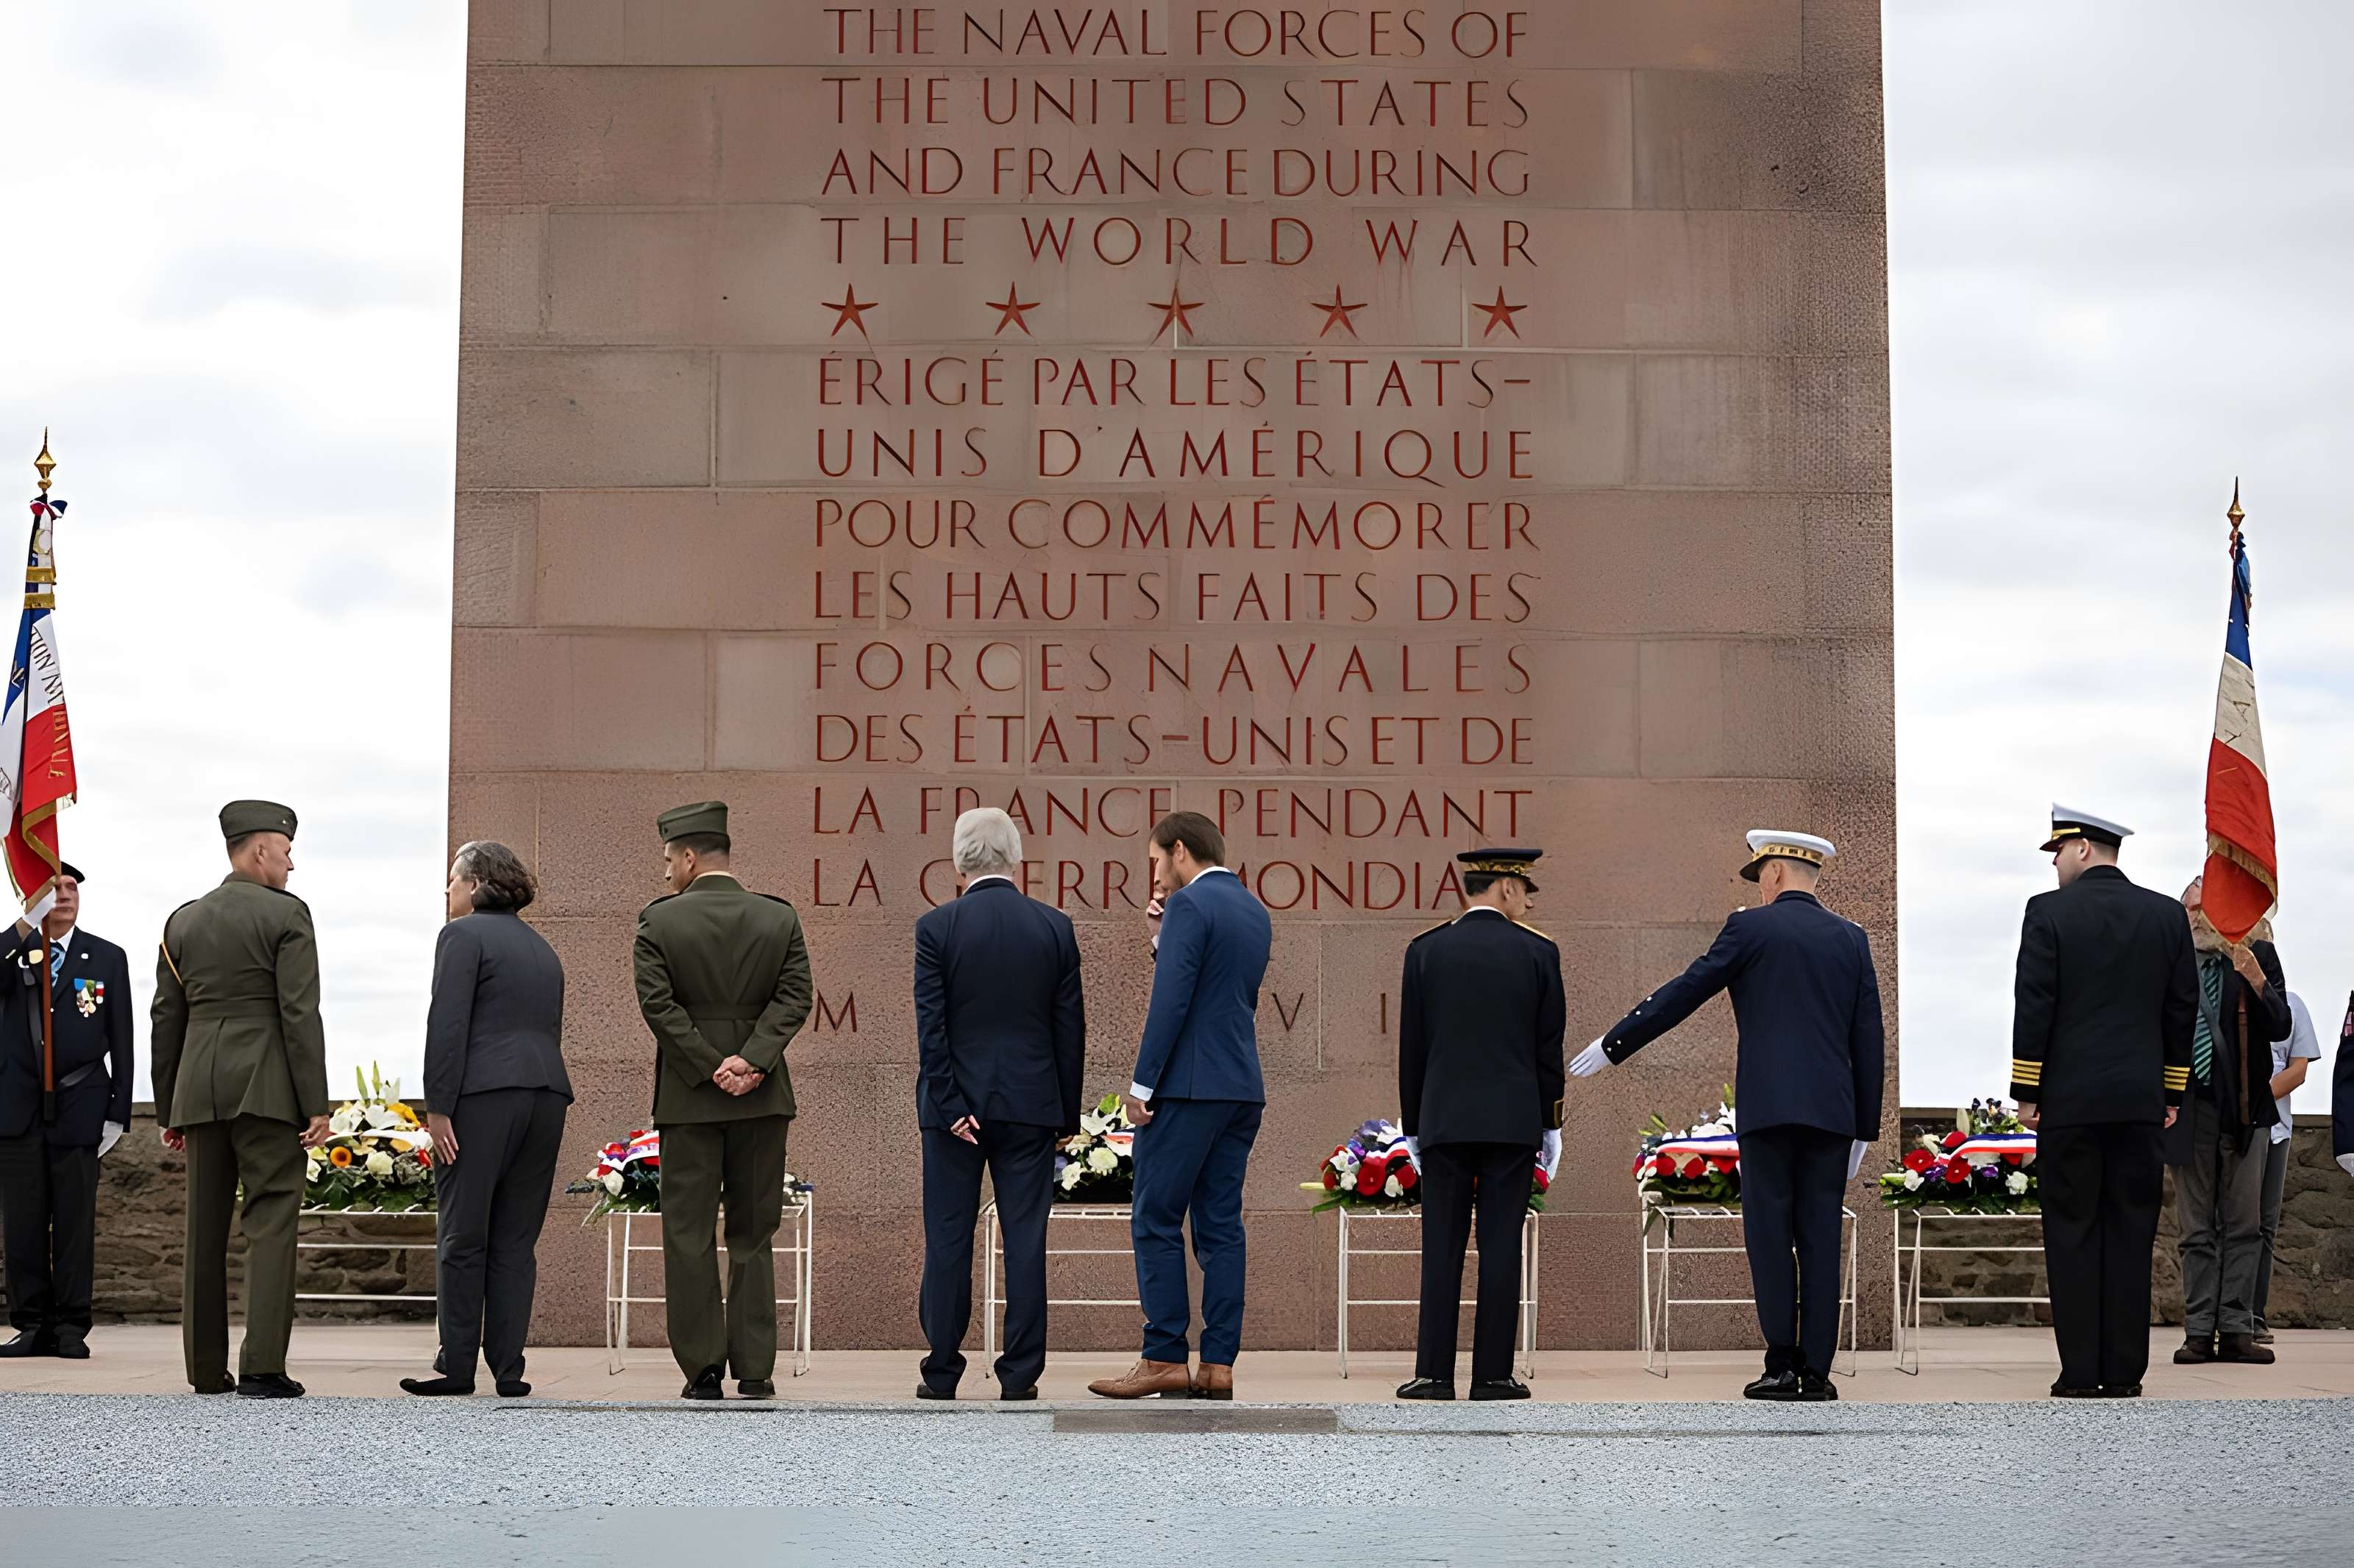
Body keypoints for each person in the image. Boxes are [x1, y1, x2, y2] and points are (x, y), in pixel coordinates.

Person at [1572, 830, 1883, 1403]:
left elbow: (1686, 991)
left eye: (1759, 874)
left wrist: (1616, 1043)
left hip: (1768, 1111)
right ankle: (1817, 1372)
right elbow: (1869, 1038)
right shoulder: (1852, 940)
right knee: (1820, 1239)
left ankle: (1780, 1366)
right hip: (1832, 1115)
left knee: (1769, 1237)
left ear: (1774, 874)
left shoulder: (1750, 928)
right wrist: (1866, 1126)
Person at [2008, 805, 2195, 1398]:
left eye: (2059, 851)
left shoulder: (2048, 912)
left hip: (2071, 1104)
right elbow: (2180, 1009)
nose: (2057, 864)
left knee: (2072, 1231)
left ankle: (2081, 1371)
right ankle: (2124, 1372)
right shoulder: (2167, 916)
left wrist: (2027, 1091)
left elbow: (2035, 1004)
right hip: (2140, 1103)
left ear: (2083, 848)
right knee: (2132, 1232)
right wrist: (2170, 1092)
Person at [150, 801, 330, 1398]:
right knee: (272, 1219)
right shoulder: (286, 915)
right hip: (268, 1088)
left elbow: (165, 1020)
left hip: (199, 1089)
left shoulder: (182, 922)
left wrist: (170, 1105)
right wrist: (317, 1104)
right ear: (260, 850)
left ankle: (204, 1370)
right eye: (285, 851)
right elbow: (299, 1014)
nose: (291, 864)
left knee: (202, 1231)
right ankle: (261, 1366)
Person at [633, 800, 811, 1401]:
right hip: (762, 1099)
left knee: (687, 1233)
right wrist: (753, 1061)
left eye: (667, 860)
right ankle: (756, 1369)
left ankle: (703, 1369)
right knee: (754, 1232)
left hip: (689, 1100)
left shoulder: (659, 923)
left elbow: (659, 1008)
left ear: (688, 856)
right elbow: (794, 999)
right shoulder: (777, 919)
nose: (665, 874)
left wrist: (711, 1067)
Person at [1089, 811, 1270, 1401]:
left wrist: (1142, 1088)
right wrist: (1162, 942)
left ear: (1181, 851)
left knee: (1156, 1217)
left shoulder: (1192, 906)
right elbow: (1222, 994)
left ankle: (1164, 1355)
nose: (1157, 874)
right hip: (1240, 1087)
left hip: (1188, 1088)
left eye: (1157, 860)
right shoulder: (1251, 908)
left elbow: (1173, 1001)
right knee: (1221, 1226)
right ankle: (1218, 1364)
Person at [911, 808, 1085, 1400]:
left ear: (959, 862)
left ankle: (941, 1371)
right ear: (1016, 859)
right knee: (1026, 1241)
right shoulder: (1054, 927)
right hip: (1032, 1107)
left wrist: (950, 1102)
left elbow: (931, 1029)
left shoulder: (937, 928)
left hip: (952, 1114)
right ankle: (1020, 1376)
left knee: (949, 1239)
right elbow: (1070, 1030)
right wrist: (1065, 1115)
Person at [399, 841, 571, 1399]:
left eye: (452, 880)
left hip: (482, 1097)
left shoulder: (461, 936)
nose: (446, 891)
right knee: (516, 1240)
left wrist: (438, 1107)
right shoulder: (544, 949)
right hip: (545, 1095)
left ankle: (456, 1367)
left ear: (474, 885)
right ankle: (508, 1369)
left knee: (463, 1233)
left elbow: (447, 1025)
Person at [1393, 849, 1565, 1403]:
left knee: (1440, 1248)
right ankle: (1493, 1375)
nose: (1530, 901)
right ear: (1506, 888)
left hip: (1443, 1122)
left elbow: (1412, 1051)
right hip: (1514, 1125)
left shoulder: (1426, 951)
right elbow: (1548, 1049)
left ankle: (1433, 1374)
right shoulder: (1539, 953)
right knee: (1500, 1248)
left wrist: (1414, 1126)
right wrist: (1551, 1123)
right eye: (1525, 890)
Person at [0, 865, 132, 1361]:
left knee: (75, 1222)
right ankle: (32, 1324)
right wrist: (22, 927)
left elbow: (121, 1037)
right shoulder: (16, 953)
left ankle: (72, 1326)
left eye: (72, 888)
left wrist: (120, 1109)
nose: (65, 896)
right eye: (53, 889)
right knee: (23, 1223)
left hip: (81, 1105)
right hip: (17, 1110)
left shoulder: (105, 957)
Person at [2167, 877, 2291, 1366]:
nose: (2197, 916)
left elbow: (2280, 1026)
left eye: (2205, 907)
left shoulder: (2257, 954)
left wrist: (2256, 979)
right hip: (2187, 1109)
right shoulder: (2170, 964)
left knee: (2244, 1226)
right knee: (2196, 1229)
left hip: (2247, 1110)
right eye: (2190, 909)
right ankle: (2199, 1330)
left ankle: (2238, 1328)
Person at [2252, 989, 2323, 1344]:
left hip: (2275, 1131)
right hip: (2226, 1131)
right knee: (2224, 1224)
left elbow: (2298, 1071)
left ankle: (2253, 1314)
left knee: (2264, 1225)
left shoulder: (2293, 1004)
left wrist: (2253, 1103)